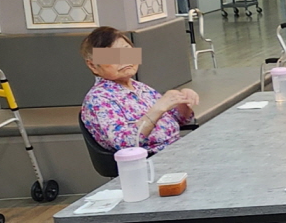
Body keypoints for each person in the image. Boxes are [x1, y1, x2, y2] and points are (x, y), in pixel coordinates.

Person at [79, 27, 200, 155]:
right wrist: (158, 109)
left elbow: (178, 121)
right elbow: (125, 144)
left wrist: (183, 103)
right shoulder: (98, 99)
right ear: (93, 65)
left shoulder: (139, 87)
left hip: (178, 149)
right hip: (151, 159)